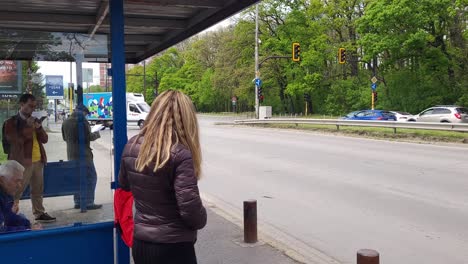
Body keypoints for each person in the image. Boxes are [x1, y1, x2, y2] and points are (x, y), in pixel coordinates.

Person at [119, 90, 207, 264]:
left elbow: (125, 184)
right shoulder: (180, 153)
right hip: (174, 246)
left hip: (142, 243)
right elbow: (191, 211)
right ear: (187, 119)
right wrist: (202, 216)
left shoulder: (132, 145)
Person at [2, 93, 56, 222]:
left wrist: (39, 128)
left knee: (37, 189)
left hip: (38, 160)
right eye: (29, 106)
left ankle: (39, 212)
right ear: (21, 104)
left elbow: (45, 139)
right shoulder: (11, 122)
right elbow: (15, 141)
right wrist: (28, 127)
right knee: (15, 189)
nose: (32, 109)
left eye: (34, 107)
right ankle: (9, 213)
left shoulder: (34, 121)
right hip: (22, 162)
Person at [61, 104, 102, 210]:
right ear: (83, 112)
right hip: (84, 155)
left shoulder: (66, 121)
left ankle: (78, 201)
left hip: (71, 155)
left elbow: (65, 138)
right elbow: (87, 137)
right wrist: (97, 134)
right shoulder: (82, 122)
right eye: (86, 114)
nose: (86, 116)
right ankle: (88, 202)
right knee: (91, 177)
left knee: (77, 178)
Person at [0, 160, 33, 232]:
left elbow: (9, 216)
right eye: (16, 181)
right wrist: (27, 230)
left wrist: (29, 225)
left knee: (22, 217)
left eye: (20, 181)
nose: (19, 185)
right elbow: (1, 230)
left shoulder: (6, 192)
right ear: (1, 180)